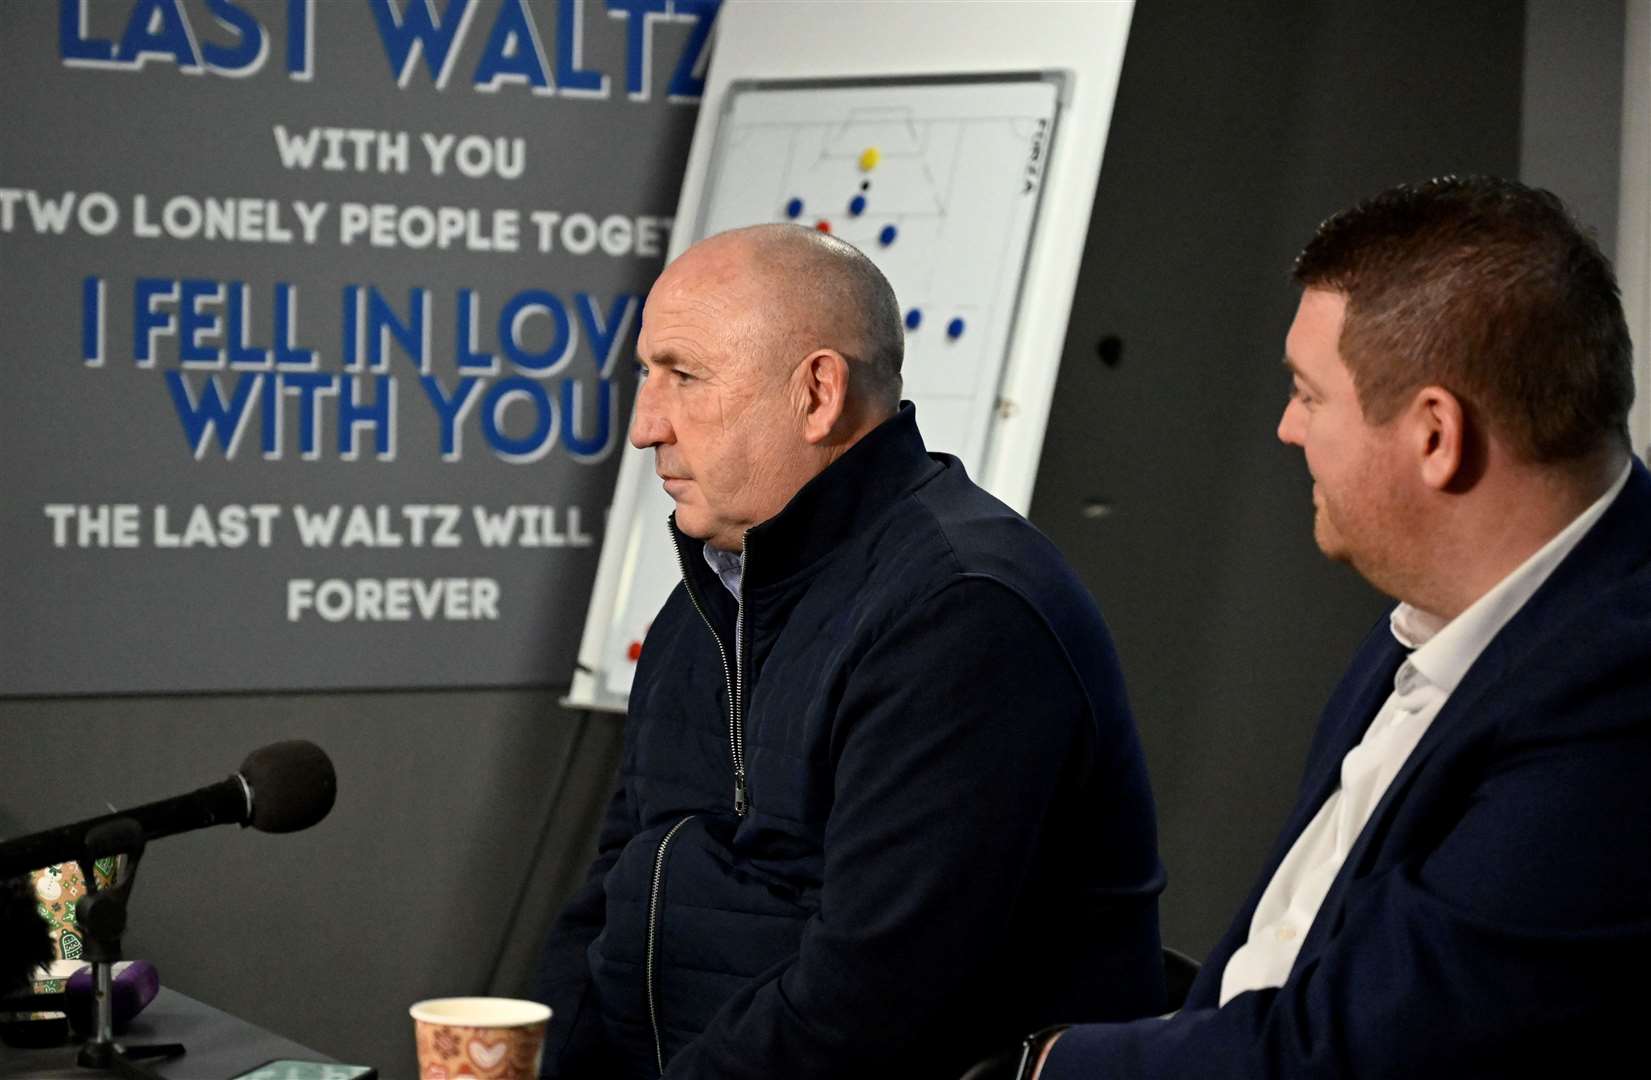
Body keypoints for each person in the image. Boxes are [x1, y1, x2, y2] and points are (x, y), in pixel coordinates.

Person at [981, 175, 1651, 1079]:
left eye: (1307, 393)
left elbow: (1347, 1056)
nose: (1286, 427)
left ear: (1432, 435)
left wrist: (1043, 1066)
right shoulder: (1435, 613)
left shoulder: (1617, 711)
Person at [535, 223, 1165, 1079]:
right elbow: (613, 893)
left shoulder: (962, 612)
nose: (646, 425)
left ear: (817, 393)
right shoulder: (706, 605)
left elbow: (868, 1005)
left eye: (682, 375)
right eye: (646, 376)